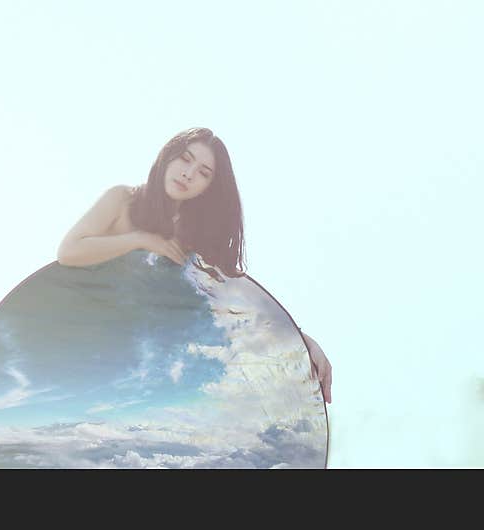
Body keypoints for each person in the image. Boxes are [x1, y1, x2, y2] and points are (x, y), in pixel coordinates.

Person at [57, 127, 332, 403]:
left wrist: (299, 339)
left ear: (209, 188)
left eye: (203, 173)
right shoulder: (122, 200)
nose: (188, 174)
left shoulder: (193, 240)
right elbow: (69, 251)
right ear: (168, 156)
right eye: (185, 159)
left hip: (143, 357)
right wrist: (139, 240)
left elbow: (232, 305)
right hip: (88, 339)